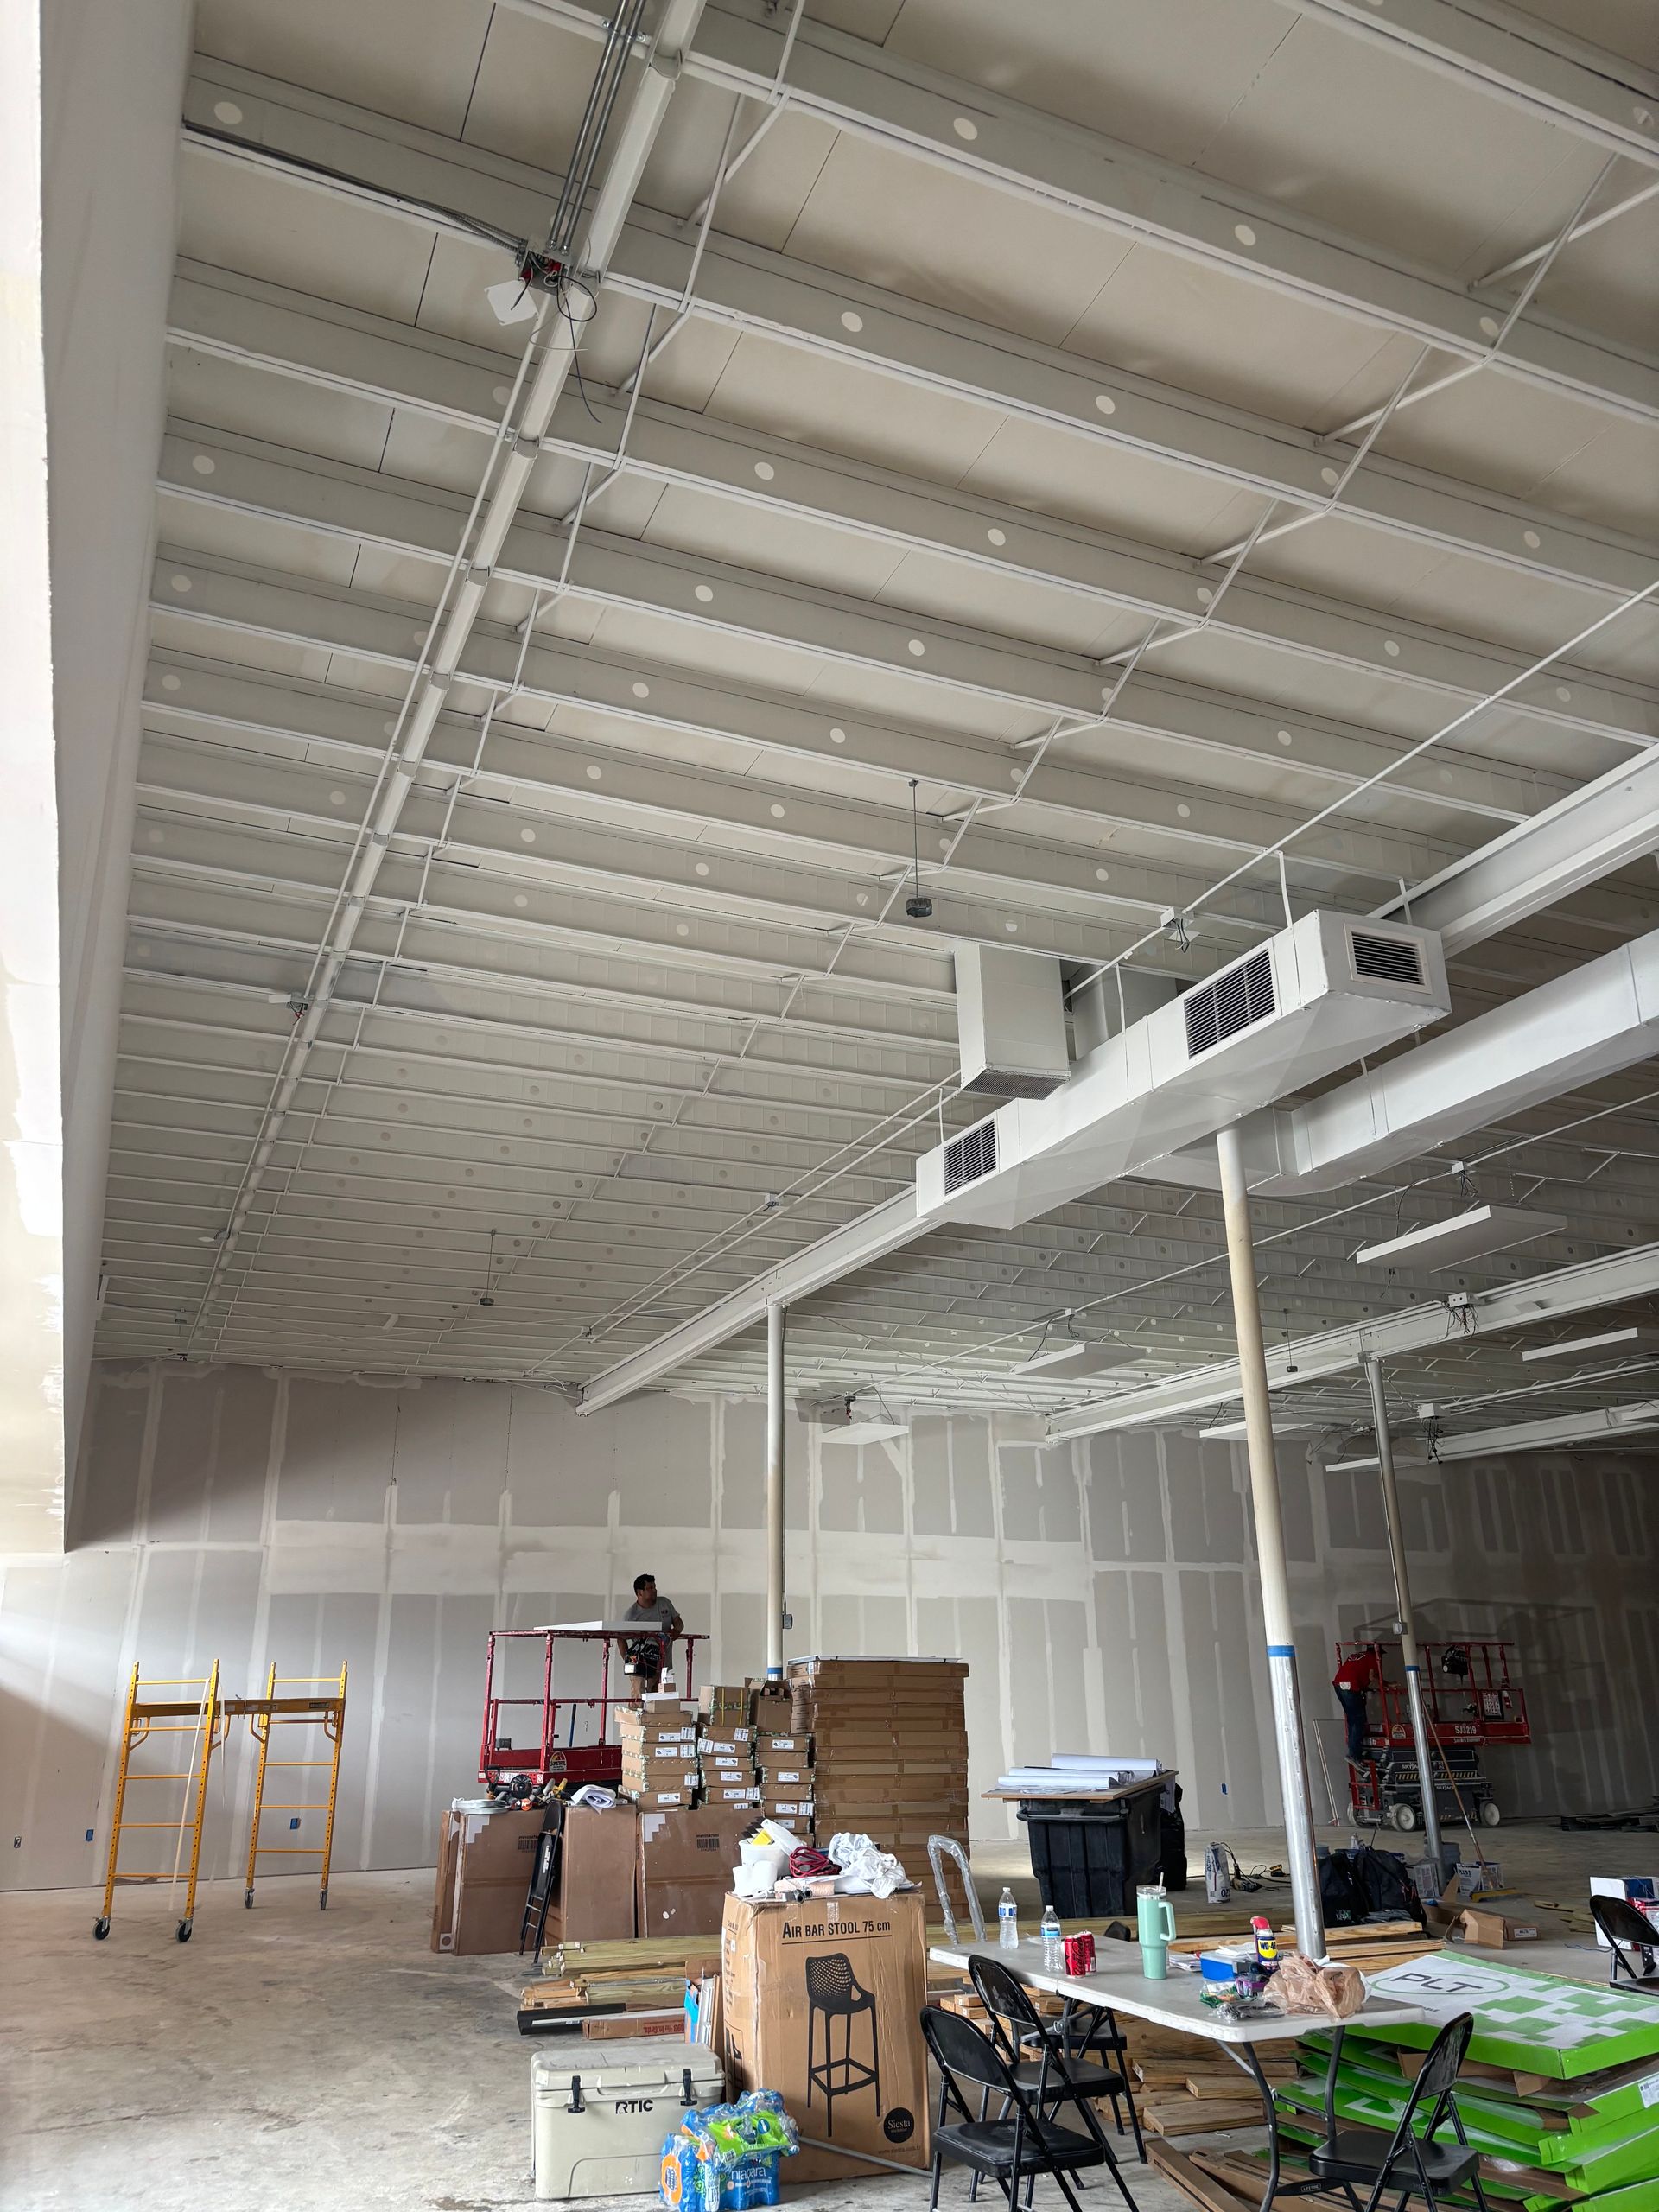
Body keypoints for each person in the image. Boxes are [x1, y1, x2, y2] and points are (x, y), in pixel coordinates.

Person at [618, 1573, 683, 1697]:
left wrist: (677, 1631)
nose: (654, 1590)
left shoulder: (664, 1603)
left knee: (658, 1699)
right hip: (640, 1664)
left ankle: (652, 1717)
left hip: (662, 1662)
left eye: (654, 1587)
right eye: (650, 1588)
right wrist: (629, 1660)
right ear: (640, 1592)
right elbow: (621, 1638)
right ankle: (637, 1717)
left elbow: (679, 1622)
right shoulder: (631, 1615)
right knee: (638, 1697)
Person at [1332, 1645, 1382, 1763]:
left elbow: (1354, 1673)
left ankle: (1352, 1752)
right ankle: (1354, 1754)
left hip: (1339, 1686)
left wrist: (1365, 1688)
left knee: (1352, 1719)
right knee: (1359, 1720)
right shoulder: (1372, 1658)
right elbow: (1372, 1676)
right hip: (1350, 1687)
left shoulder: (1356, 1656)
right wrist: (1386, 1684)